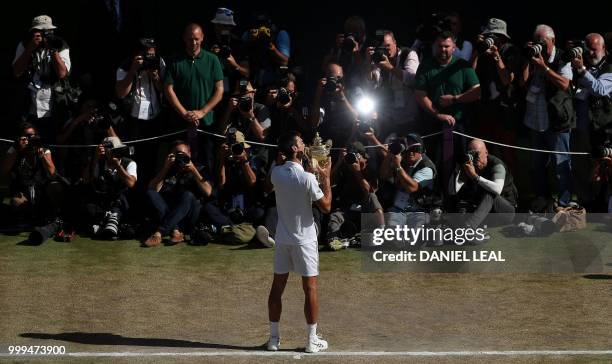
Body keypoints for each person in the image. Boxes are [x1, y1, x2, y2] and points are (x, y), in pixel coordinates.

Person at [266, 131, 332, 353]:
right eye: (301, 142)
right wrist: (327, 177)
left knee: (277, 288)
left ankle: (273, 339)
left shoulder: (276, 173)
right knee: (310, 289)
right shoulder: (307, 178)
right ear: (294, 149)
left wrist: (310, 172)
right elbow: (326, 206)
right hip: (305, 240)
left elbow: (287, 175)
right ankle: (311, 341)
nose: (304, 143)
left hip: (283, 239)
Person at [414, 30, 481, 190]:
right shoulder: (426, 66)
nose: (443, 50)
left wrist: (455, 99)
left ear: (454, 47)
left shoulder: (462, 66)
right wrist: (439, 115)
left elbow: (477, 92)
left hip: (460, 125)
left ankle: (460, 198)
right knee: (432, 163)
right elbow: (419, 94)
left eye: (446, 46)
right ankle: (433, 196)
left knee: (461, 163)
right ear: (434, 46)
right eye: (439, 46)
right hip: (433, 125)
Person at [520, 24, 574, 206]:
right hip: (535, 119)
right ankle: (542, 199)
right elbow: (524, 83)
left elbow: (566, 85)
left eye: (543, 42)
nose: (540, 46)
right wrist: (528, 60)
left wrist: (544, 68)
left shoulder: (562, 57)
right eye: (537, 42)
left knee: (561, 165)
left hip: (557, 121)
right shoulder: (534, 57)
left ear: (553, 40)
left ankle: (564, 203)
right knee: (537, 165)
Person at [164, 23, 224, 165]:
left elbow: (219, 90)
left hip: (206, 122)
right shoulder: (174, 60)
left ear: (202, 38)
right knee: (178, 162)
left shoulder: (212, 60)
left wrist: (202, 112)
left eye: (197, 38)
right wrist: (184, 113)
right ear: (184, 38)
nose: (194, 42)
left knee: (207, 160)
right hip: (180, 123)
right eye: (190, 39)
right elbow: (168, 89)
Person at [471, 18, 521, 174]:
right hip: (485, 111)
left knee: (508, 156)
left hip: (505, 112)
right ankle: (486, 188)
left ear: (503, 37)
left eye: (495, 36)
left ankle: (511, 193)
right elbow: (470, 73)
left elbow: (507, 79)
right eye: (489, 35)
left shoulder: (511, 50)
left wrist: (497, 56)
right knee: (484, 155)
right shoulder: (482, 51)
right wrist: (477, 50)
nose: (492, 39)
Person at [12, 15, 71, 142]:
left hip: (53, 108)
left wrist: (53, 50)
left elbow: (62, 73)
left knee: (52, 146)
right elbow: (17, 72)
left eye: (47, 31)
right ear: (33, 32)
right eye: (40, 32)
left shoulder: (60, 44)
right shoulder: (25, 44)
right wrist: (29, 49)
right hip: (29, 108)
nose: (44, 35)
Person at [144, 141, 212, 247]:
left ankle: (159, 233)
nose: (180, 158)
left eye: (183, 154)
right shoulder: (168, 169)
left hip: (189, 216)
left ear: (189, 154)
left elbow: (208, 192)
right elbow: (153, 190)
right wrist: (166, 168)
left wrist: (194, 170)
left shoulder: (198, 169)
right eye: (177, 155)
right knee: (150, 193)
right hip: (169, 212)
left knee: (188, 195)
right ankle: (175, 231)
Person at [571, 33, 612, 208]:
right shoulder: (582, 63)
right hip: (580, 126)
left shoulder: (609, 67)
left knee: (601, 169)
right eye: (588, 50)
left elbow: (600, 89)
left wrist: (581, 70)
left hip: (601, 129)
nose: (590, 53)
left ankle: (602, 203)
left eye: (594, 50)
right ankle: (585, 201)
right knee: (580, 167)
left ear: (603, 48)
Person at [1, 123, 62, 228]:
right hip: (23, 190)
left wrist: (42, 156)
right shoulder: (15, 148)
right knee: (16, 202)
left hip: (41, 190)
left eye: (31, 136)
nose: (28, 139)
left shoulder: (43, 147)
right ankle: (25, 216)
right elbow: (4, 170)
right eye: (26, 136)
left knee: (55, 187)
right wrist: (17, 149)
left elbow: (52, 171)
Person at [326, 141, 383, 250]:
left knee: (372, 198)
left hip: (366, 210)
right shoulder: (346, 167)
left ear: (364, 157)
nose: (352, 159)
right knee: (335, 217)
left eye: (355, 156)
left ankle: (381, 234)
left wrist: (357, 172)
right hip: (347, 208)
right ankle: (336, 242)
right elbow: (329, 182)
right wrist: (339, 163)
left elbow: (370, 191)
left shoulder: (370, 169)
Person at [450, 139, 517, 228]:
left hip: (506, 211)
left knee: (490, 193)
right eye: (472, 154)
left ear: (486, 152)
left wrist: (475, 177)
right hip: (487, 212)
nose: (475, 157)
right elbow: (452, 191)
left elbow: (497, 190)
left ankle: (469, 228)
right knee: (462, 204)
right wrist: (458, 167)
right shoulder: (470, 164)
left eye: (478, 153)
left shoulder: (497, 165)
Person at [81, 136, 137, 240]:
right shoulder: (97, 161)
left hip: (119, 201)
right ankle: (107, 221)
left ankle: (110, 221)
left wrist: (118, 167)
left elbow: (131, 183)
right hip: (100, 201)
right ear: (106, 152)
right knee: (88, 209)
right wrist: (95, 158)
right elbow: (85, 180)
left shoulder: (129, 163)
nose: (118, 153)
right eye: (114, 150)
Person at [367, 30, 420, 138]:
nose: (386, 50)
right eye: (382, 47)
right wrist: (369, 63)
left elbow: (412, 79)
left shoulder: (408, 54)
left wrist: (390, 68)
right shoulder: (379, 59)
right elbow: (372, 81)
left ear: (395, 43)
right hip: (387, 117)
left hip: (408, 117)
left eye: (388, 46)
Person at [379, 133, 437, 230]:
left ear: (422, 150)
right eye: (408, 149)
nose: (411, 152)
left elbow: (412, 188)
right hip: (398, 208)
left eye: (415, 149)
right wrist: (389, 155)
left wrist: (398, 167)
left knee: (415, 240)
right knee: (393, 238)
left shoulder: (427, 167)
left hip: (419, 209)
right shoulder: (401, 159)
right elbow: (383, 176)